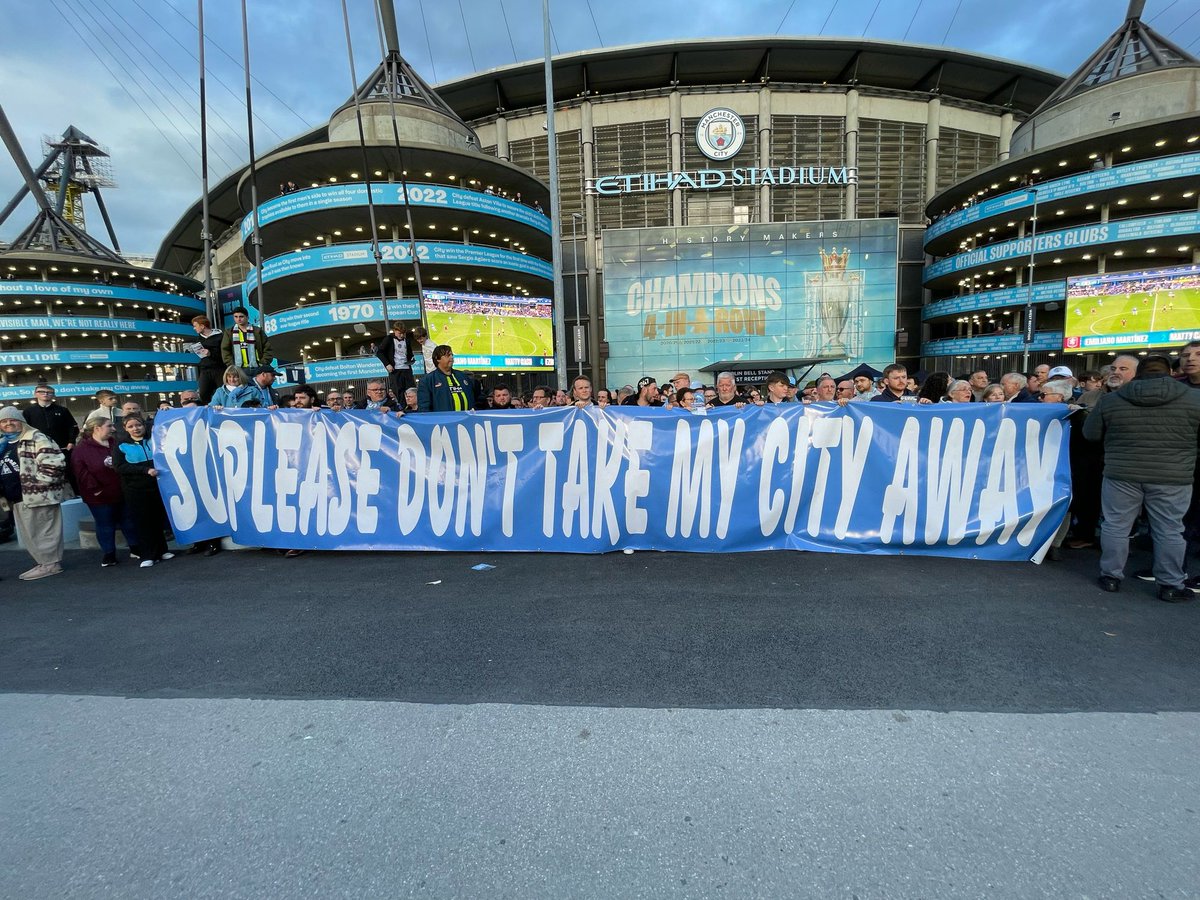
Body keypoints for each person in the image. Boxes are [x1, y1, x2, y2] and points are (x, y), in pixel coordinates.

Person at [1083, 355, 1200, 601]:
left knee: (1115, 526)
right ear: (1170, 371)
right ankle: (1170, 584)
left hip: (1121, 473)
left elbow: (1091, 433)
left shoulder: (1112, 400)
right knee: (1170, 530)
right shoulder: (1194, 398)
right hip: (1173, 476)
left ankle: (1111, 577)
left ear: (1138, 373)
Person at [0, 406, 69, 580]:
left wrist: (38, 484)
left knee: (44, 531)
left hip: (37, 496)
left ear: (21, 421)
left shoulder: (36, 437)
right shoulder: (3, 443)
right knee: (31, 534)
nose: (8, 423)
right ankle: (44, 563)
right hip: (15, 497)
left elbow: (55, 463)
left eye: (12, 420)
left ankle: (51, 564)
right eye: (4, 421)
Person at [71, 417, 139, 568]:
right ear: (97, 428)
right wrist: (96, 490)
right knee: (105, 524)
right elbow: (81, 473)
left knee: (128, 521)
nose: (113, 429)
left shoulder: (117, 444)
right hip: (99, 497)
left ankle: (135, 548)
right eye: (109, 426)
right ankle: (109, 554)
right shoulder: (81, 449)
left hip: (122, 491)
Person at [114, 415, 175, 569]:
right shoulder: (121, 445)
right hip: (135, 490)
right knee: (143, 522)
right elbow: (120, 467)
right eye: (131, 426)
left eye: (138, 425)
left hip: (156, 487)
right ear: (126, 429)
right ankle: (148, 555)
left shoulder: (153, 439)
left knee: (157, 519)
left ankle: (162, 550)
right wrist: (144, 470)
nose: (135, 428)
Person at [417, 346, 475, 412]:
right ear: (437, 359)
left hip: (466, 421)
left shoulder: (463, 376)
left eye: (452, 355)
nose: (451, 357)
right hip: (444, 421)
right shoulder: (427, 380)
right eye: (448, 355)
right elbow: (424, 407)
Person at [23, 385, 77, 455]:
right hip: (38, 449)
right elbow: (25, 429)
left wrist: (71, 442)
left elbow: (73, 427)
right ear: (35, 394)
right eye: (42, 392)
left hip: (62, 448)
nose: (45, 394)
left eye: (49, 392)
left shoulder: (63, 410)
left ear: (53, 395)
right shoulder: (28, 411)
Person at [221, 307, 273, 375]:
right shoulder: (229, 332)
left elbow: (267, 348)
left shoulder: (257, 331)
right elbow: (225, 351)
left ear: (247, 317)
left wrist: (263, 363)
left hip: (257, 368)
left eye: (241, 316)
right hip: (239, 370)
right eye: (236, 317)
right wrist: (232, 365)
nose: (238, 319)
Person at [376, 321, 417, 401]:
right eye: (399, 333)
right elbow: (379, 352)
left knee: (411, 390)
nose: (401, 335)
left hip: (407, 369)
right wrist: (387, 364)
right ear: (394, 331)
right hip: (395, 370)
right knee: (398, 392)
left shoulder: (407, 341)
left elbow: (409, 353)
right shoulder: (389, 339)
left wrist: (411, 360)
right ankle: (400, 409)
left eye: (403, 333)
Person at [189, 315, 225, 403]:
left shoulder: (221, 336)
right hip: (205, 369)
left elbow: (225, 354)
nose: (194, 328)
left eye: (195, 326)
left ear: (202, 326)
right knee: (203, 393)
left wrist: (210, 353)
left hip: (219, 369)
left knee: (223, 392)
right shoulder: (198, 339)